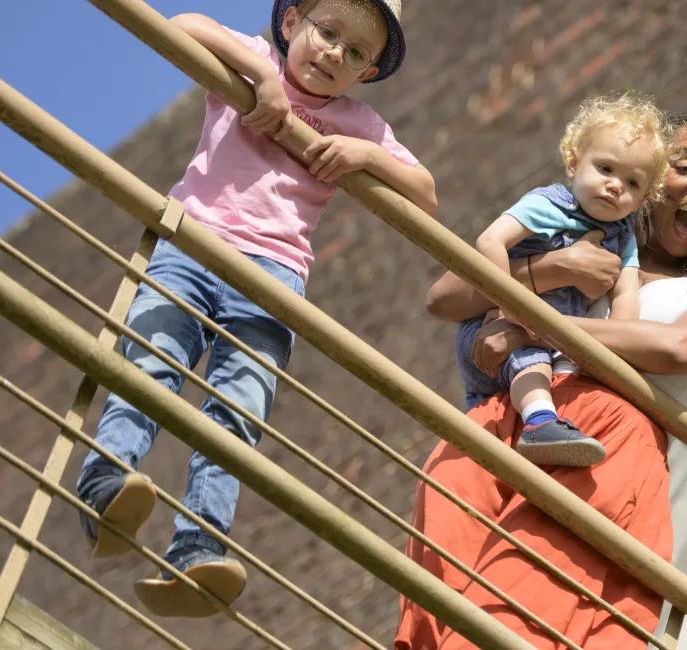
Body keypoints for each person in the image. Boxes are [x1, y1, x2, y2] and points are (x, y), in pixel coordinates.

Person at [73, 0, 436, 618]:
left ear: (367, 74)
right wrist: (259, 78)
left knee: (237, 411)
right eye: (328, 33)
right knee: (152, 361)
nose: (334, 54)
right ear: (292, 22)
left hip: (273, 276)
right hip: (193, 243)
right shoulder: (255, 58)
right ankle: (107, 483)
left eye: (355, 54)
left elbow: (424, 196)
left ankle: (197, 548)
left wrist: (365, 157)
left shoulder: (359, 123)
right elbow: (182, 27)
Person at [396, 113, 687, 649]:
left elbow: (677, 347)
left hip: (607, 436)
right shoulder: (581, 233)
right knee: (437, 576)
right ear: (651, 178)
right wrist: (555, 268)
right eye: (685, 166)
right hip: (507, 410)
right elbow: (444, 297)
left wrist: (534, 324)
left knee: (517, 605)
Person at [459, 94, 670, 468]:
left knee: (572, 372)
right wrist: (511, 308)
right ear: (574, 163)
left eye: (633, 183)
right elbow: (490, 240)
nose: (616, 186)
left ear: (642, 199)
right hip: (500, 328)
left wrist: (615, 349)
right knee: (534, 362)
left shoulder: (623, 237)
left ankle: (546, 429)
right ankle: (540, 424)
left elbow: (626, 293)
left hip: (552, 335)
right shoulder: (550, 205)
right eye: (605, 168)